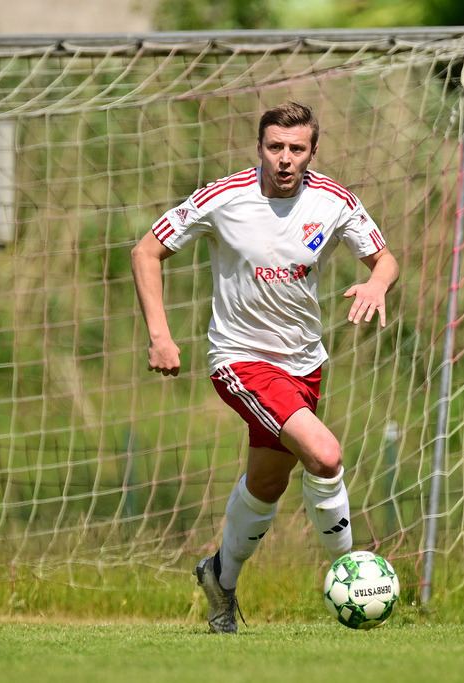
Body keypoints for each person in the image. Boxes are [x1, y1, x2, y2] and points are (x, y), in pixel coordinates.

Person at [131, 101, 399, 634]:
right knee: (325, 456)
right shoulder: (223, 197)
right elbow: (145, 251)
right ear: (260, 147)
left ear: (312, 152)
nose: (284, 158)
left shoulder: (334, 201)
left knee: (267, 485)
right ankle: (353, 574)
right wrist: (160, 337)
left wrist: (376, 283)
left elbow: (385, 259)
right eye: (274, 147)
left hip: (304, 362)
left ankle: (219, 580)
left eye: (296, 149)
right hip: (240, 360)